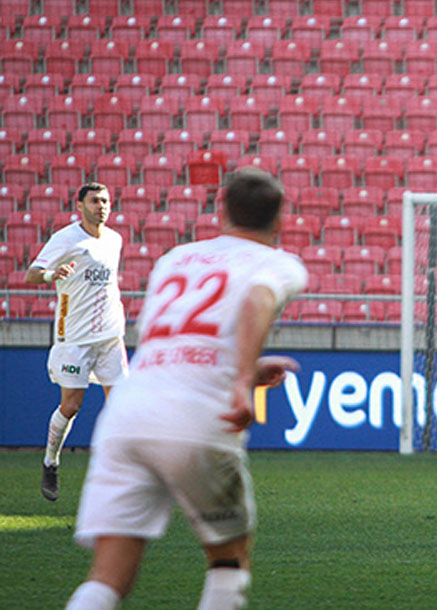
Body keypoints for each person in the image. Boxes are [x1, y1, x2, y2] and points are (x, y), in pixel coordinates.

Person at [65, 168, 308, 610]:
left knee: (108, 574)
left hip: (127, 415)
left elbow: (180, 344)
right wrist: (241, 380)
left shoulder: (176, 258)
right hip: (196, 419)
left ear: (222, 210)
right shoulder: (278, 263)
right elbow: (257, 298)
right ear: (281, 219)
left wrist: (245, 368)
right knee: (229, 558)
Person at [26, 182, 127, 501]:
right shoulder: (66, 238)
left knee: (123, 405)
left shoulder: (115, 239)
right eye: (95, 201)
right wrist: (51, 275)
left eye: (106, 201)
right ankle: (50, 461)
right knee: (72, 405)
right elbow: (31, 273)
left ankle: (121, 474)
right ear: (80, 205)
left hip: (111, 336)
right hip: (76, 338)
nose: (102, 206)